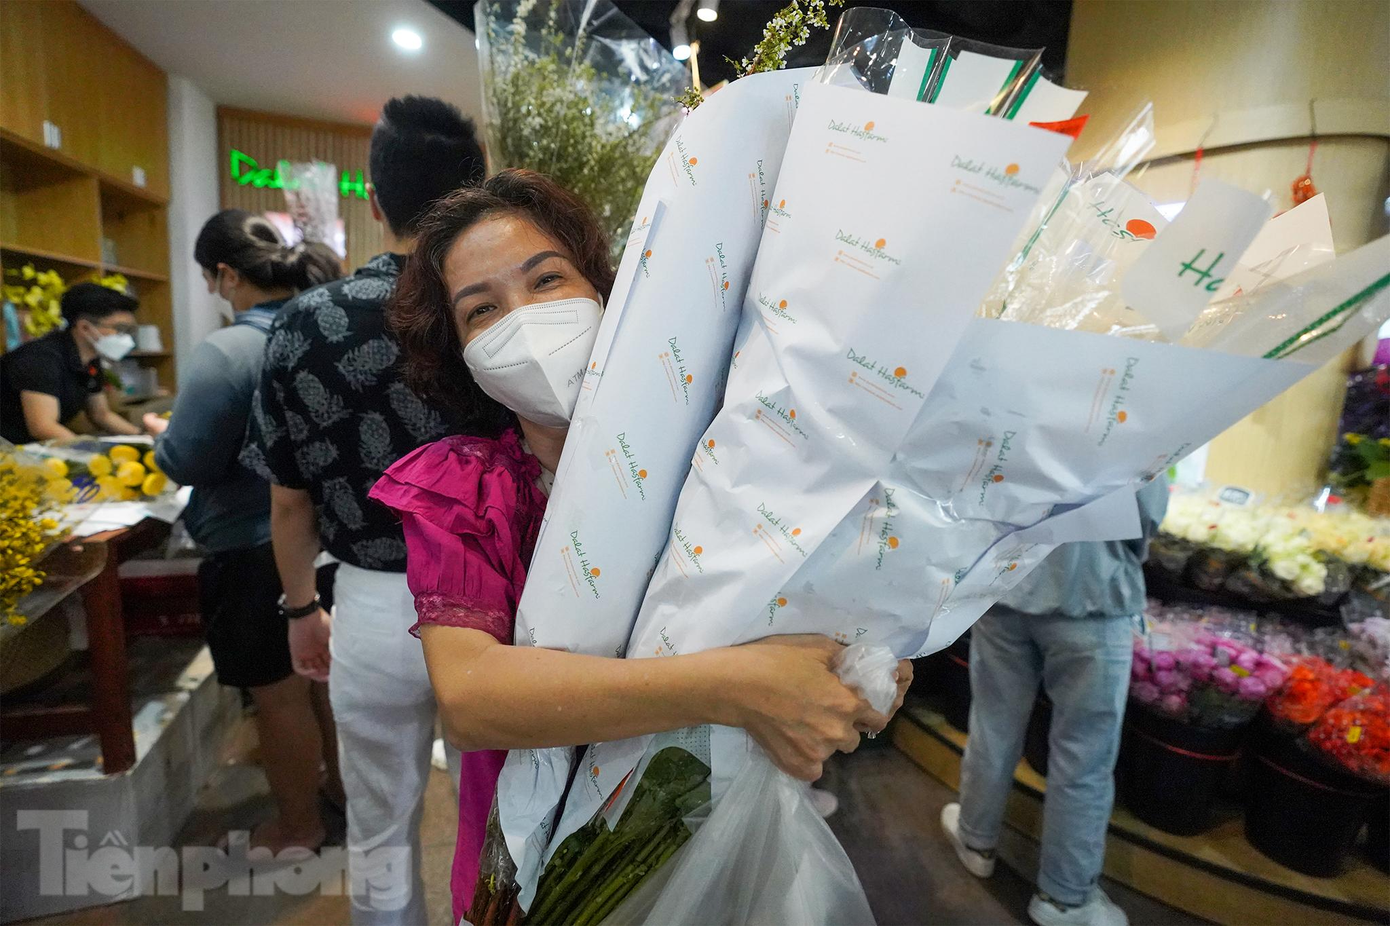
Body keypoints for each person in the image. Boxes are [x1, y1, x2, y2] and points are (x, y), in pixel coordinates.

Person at [370, 169, 913, 923]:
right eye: (482, 310)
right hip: (542, 874)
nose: (524, 320)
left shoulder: (727, 449)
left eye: (546, 279)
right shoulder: (465, 490)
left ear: (606, 287)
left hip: (718, 837)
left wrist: (862, 664)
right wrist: (739, 685)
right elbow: (472, 699)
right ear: (458, 351)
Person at [239, 96, 488, 925]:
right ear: (476, 191)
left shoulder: (303, 324)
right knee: (508, 819)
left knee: (382, 831)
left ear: (374, 203)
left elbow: (286, 495)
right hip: (502, 605)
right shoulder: (493, 309)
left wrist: (301, 607)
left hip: (374, 602)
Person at [143, 210, 342, 854]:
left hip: (256, 550)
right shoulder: (323, 330)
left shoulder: (228, 351)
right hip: (330, 545)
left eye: (208, 278)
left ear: (227, 274)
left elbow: (188, 458)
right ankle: (342, 794)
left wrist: (160, 441)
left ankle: (298, 826)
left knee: (279, 697)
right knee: (328, 686)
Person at [941, 477, 1169, 926]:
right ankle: (1064, 899)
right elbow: (1148, 506)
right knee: (1084, 753)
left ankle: (975, 839)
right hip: (1093, 594)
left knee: (993, 725)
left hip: (1008, 579)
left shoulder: (1018, 403)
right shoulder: (1132, 407)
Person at [1, 282, 144, 444]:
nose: (126, 337)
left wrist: (143, 436)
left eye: (130, 331)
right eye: (120, 329)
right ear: (84, 327)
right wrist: (91, 453)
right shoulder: (41, 358)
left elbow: (101, 414)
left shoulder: (90, 360)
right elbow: (43, 427)